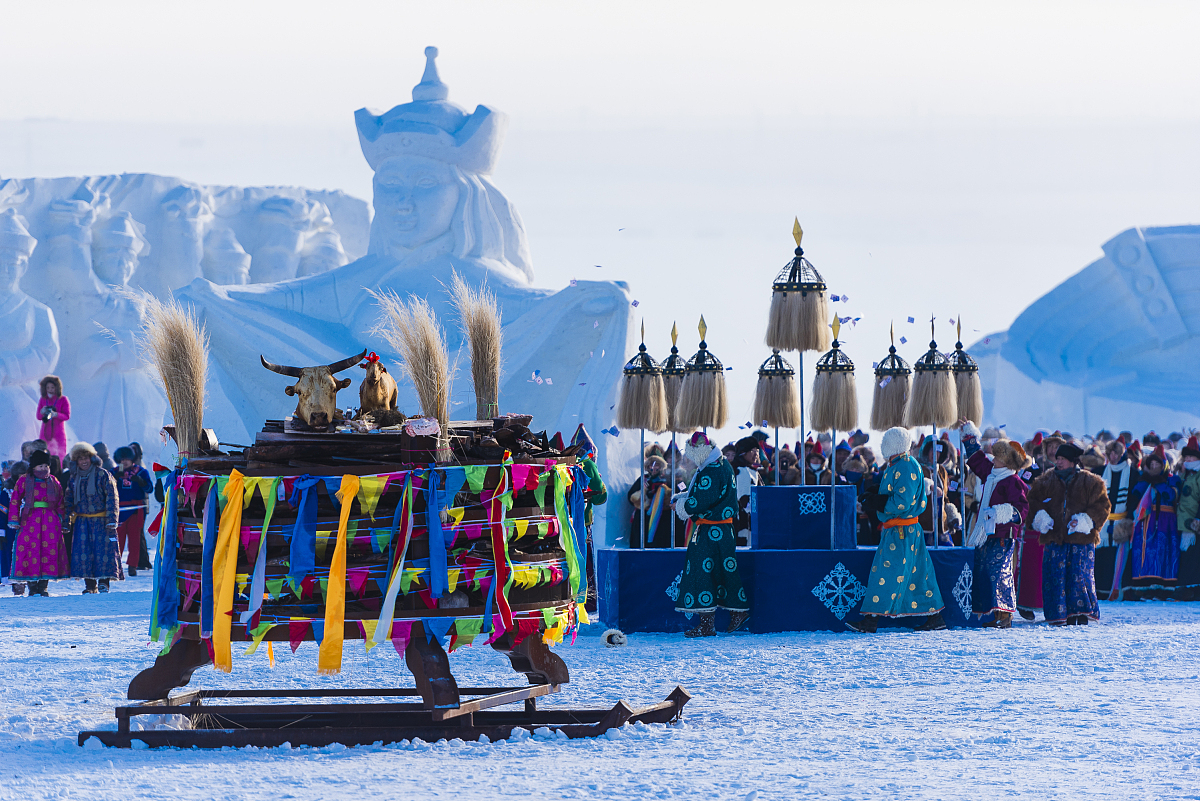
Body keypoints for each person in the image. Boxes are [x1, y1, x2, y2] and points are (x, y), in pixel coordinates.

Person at [853, 426, 946, 632]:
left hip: (902, 531)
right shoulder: (898, 464)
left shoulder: (904, 465)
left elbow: (902, 501)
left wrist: (880, 502)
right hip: (901, 530)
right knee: (917, 574)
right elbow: (899, 491)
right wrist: (878, 492)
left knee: (886, 572)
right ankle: (935, 617)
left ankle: (871, 620)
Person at [673, 431, 750, 636]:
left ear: (700, 452)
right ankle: (736, 612)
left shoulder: (711, 470)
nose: (688, 459)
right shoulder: (720, 464)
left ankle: (707, 625)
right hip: (721, 529)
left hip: (710, 529)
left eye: (690, 454)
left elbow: (702, 499)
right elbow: (704, 494)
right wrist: (683, 497)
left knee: (702, 572)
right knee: (723, 570)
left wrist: (681, 506)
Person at [1028, 441, 1111, 625]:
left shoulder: (1091, 482)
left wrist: (1085, 521)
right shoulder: (1045, 481)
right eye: (1057, 458)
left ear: (1073, 461)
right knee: (1054, 578)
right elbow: (1033, 502)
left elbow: (1103, 506)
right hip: (1054, 539)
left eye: (1062, 459)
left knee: (1079, 577)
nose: (1058, 462)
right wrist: (1041, 517)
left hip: (1081, 540)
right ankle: (1057, 616)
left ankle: (1081, 613)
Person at [962, 422, 1031, 628]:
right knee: (984, 571)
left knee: (1000, 572)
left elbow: (1022, 509)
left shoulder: (1013, 482)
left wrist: (1002, 512)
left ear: (1008, 462)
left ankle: (1006, 614)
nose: (995, 459)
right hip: (986, 532)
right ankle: (993, 612)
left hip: (1003, 534)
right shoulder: (992, 474)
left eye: (999, 457)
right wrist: (969, 435)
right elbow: (976, 460)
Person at [7, 450, 67, 596]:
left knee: (48, 551)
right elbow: (15, 500)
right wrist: (14, 519)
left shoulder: (54, 481)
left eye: (46, 466)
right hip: (30, 520)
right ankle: (32, 587)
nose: (43, 469)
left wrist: (63, 521)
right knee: (30, 550)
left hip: (50, 521)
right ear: (33, 467)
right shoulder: (24, 480)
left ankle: (43, 586)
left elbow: (60, 502)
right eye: (40, 466)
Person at [65, 442, 121, 593]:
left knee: (103, 552)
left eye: (86, 457)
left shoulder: (103, 474)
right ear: (76, 461)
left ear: (92, 458)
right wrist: (66, 521)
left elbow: (112, 498)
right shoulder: (74, 478)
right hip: (82, 521)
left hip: (101, 520)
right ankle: (90, 586)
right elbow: (68, 500)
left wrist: (112, 520)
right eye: (80, 458)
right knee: (84, 553)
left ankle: (104, 582)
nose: (84, 461)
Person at [1126, 445, 1182, 590]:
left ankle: (1165, 583)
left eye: (1158, 464)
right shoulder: (1144, 478)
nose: (1154, 466)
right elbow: (1136, 494)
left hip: (1166, 519)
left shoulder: (1173, 479)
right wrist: (1146, 479)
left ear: (1165, 465)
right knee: (1144, 549)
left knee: (1164, 549)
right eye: (1152, 464)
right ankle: (1143, 582)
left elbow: (1171, 496)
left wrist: (1159, 482)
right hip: (1146, 518)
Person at [570, 425, 607, 613]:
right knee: (585, 561)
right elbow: (600, 497)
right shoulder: (589, 465)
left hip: (566, 521)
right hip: (583, 521)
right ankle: (586, 602)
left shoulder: (566, 463)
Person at [111, 445, 152, 577]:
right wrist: (114, 479)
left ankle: (132, 566)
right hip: (120, 510)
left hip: (136, 509)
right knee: (118, 539)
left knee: (135, 539)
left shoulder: (141, 472)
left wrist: (141, 482)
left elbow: (149, 489)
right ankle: (115, 565)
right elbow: (105, 490)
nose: (125, 462)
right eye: (122, 459)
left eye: (127, 459)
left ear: (132, 458)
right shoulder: (113, 472)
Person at [627, 454, 671, 548]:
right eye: (651, 465)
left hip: (662, 519)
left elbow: (677, 492)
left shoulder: (668, 479)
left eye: (657, 465)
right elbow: (630, 496)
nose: (653, 468)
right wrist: (643, 494)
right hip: (643, 518)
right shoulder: (643, 479)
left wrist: (664, 494)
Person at [730, 437, 762, 547]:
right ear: (743, 453)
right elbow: (744, 500)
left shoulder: (751, 470)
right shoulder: (742, 470)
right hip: (743, 524)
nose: (756, 454)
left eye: (757, 451)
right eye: (753, 451)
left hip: (747, 523)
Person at [36, 375, 70, 462]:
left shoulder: (63, 399)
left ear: (57, 388)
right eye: (48, 387)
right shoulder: (43, 400)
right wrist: (42, 412)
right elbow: (38, 417)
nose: (50, 390)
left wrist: (56, 414)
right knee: (44, 455)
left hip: (58, 434)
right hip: (45, 433)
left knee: (59, 456)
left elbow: (67, 416)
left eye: (52, 387)